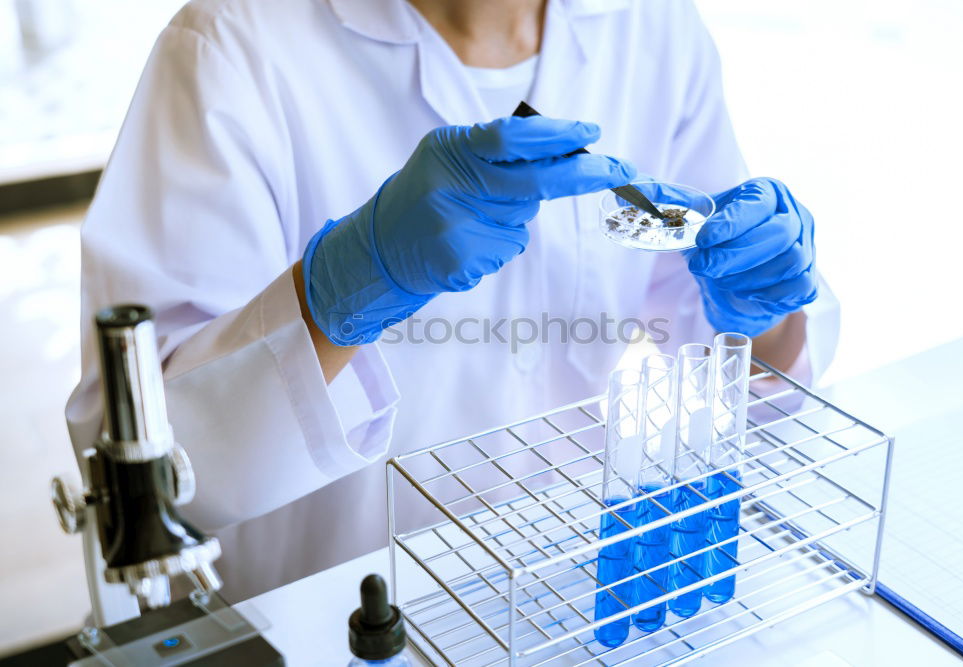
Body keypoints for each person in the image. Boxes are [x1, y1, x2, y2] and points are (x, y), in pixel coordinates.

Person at [67, 0, 838, 611]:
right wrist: (342, 284)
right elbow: (150, 482)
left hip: (572, 602)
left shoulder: (653, 23)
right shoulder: (227, 48)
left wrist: (764, 306)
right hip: (332, 618)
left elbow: (723, 361)